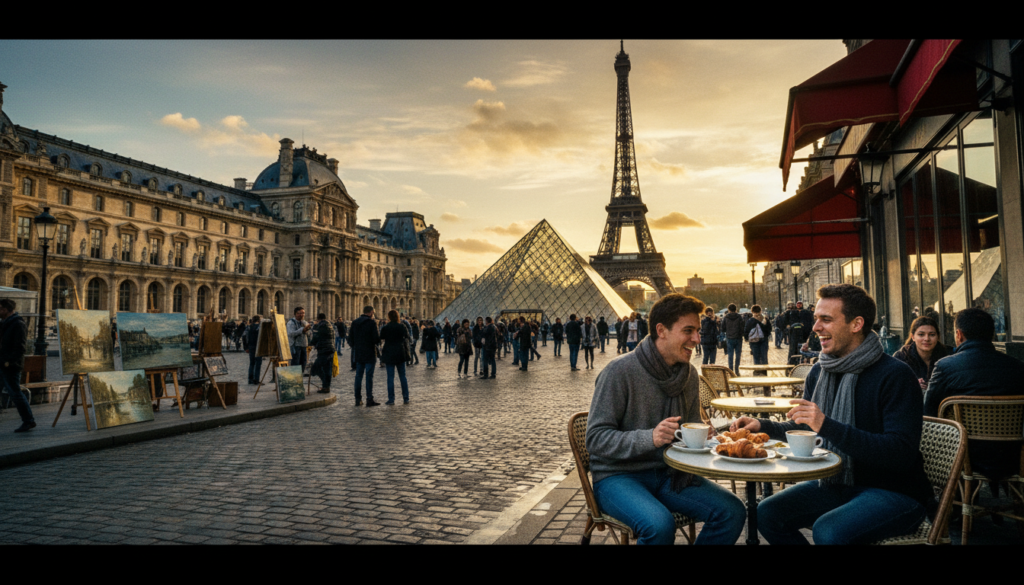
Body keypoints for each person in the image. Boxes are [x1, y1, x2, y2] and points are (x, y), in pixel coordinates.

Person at [731, 284, 933, 544]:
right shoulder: (820, 371)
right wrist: (763, 425)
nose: (815, 327)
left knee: (828, 530)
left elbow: (900, 454)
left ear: (856, 324)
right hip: (837, 483)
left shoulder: (895, 375)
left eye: (826, 319)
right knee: (768, 513)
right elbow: (807, 429)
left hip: (896, 491)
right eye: (816, 319)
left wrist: (826, 425)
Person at [586, 293, 746, 545]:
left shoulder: (689, 375)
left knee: (733, 511)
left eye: (698, 330)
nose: (697, 338)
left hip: (671, 473)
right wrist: (649, 437)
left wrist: (705, 436)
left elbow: (691, 426)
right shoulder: (619, 372)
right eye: (689, 330)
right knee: (660, 525)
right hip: (618, 476)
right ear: (661, 330)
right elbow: (595, 439)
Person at [924, 308, 1024, 482]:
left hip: (959, 456)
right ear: (992, 335)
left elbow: (929, 413)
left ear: (959, 334)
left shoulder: (945, 367)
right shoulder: (1017, 367)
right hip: (1013, 455)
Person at [0, 299, 34, 433]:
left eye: (0, 308)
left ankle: (29, 421)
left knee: (15, 394)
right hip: (2, 363)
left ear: (7, 310)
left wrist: (9, 362)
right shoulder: (5, 323)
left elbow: (20, 348)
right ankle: (28, 420)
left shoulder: (17, 324)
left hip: (10, 366)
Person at [892, 316, 948, 391]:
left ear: (938, 336)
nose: (927, 339)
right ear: (913, 337)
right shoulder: (901, 357)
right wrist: (912, 384)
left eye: (932, 334)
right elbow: (892, 386)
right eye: (921, 334)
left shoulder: (948, 355)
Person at [348, 305, 380, 407]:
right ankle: (369, 399)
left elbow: (350, 339)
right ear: (371, 312)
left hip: (359, 353)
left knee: (358, 376)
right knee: (369, 377)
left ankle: (358, 399)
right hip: (370, 352)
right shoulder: (371, 322)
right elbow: (376, 339)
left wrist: (356, 346)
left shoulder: (355, 322)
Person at [380, 310, 411, 404]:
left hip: (389, 352)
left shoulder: (385, 327)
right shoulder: (402, 326)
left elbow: (381, 337)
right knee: (403, 377)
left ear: (389, 317)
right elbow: (407, 336)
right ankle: (406, 398)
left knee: (390, 378)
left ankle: (391, 399)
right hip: (400, 352)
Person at [309, 312, 336, 394]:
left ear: (318, 318)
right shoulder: (330, 325)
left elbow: (316, 337)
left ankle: (325, 385)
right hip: (330, 349)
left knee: (315, 368)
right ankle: (326, 387)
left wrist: (310, 344)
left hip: (323, 349)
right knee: (327, 369)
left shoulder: (320, 325)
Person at [287, 307, 312, 372]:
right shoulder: (291, 323)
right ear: (295, 314)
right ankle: (294, 381)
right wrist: (302, 330)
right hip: (295, 346)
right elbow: (291, 333)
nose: (302, 315)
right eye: (299, 313)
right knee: (295, 365)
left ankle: (300, 379)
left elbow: (309, 334)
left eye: (303, 313)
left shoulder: (304, 322)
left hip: (304, 345)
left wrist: (308, 330)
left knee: (303, 364)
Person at [722, 304, 744, 374]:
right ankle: (737, 370)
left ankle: (731, 371)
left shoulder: (726, 317)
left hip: (729, 338)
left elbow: (723, 328)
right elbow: (742, 327)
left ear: (729, 310)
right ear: (736, 309)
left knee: (730, 355)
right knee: (738, 355)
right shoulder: (739, 317)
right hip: (738, 338)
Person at [246, 315, 263, 385]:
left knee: (252, 363)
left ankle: (250, 379)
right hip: (258, 347)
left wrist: (246, 347)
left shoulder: (249, 327)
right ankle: (256, 379)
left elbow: (245, 337)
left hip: (251, 346)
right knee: (258, 364)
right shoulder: (260, 327)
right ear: (259, 320)